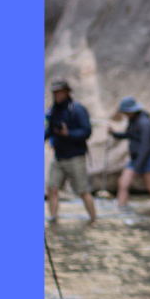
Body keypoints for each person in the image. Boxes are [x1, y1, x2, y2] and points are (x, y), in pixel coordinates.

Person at [45, 79, 97, 223]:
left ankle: (93, 219)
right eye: (54, 92)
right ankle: (53, 218)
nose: (56, 95)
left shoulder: (77, 109)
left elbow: (87, 132)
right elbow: (50, 129)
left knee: (83, 191)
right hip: (58, 157)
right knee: (52, 188)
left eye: (59, 92)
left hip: (76, 157)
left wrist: (68, 134)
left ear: (66, 92)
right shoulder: (54, 110)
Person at [112, 97, 150, 210]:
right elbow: (130, 135)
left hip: (147, 158)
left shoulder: (144, 123)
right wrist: (114, 134)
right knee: (123, 183)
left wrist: (137, 167)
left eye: (126, 112)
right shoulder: (133, 121)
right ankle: (121, 208)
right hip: (136, 158)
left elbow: (145, 147)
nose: (124, 114)